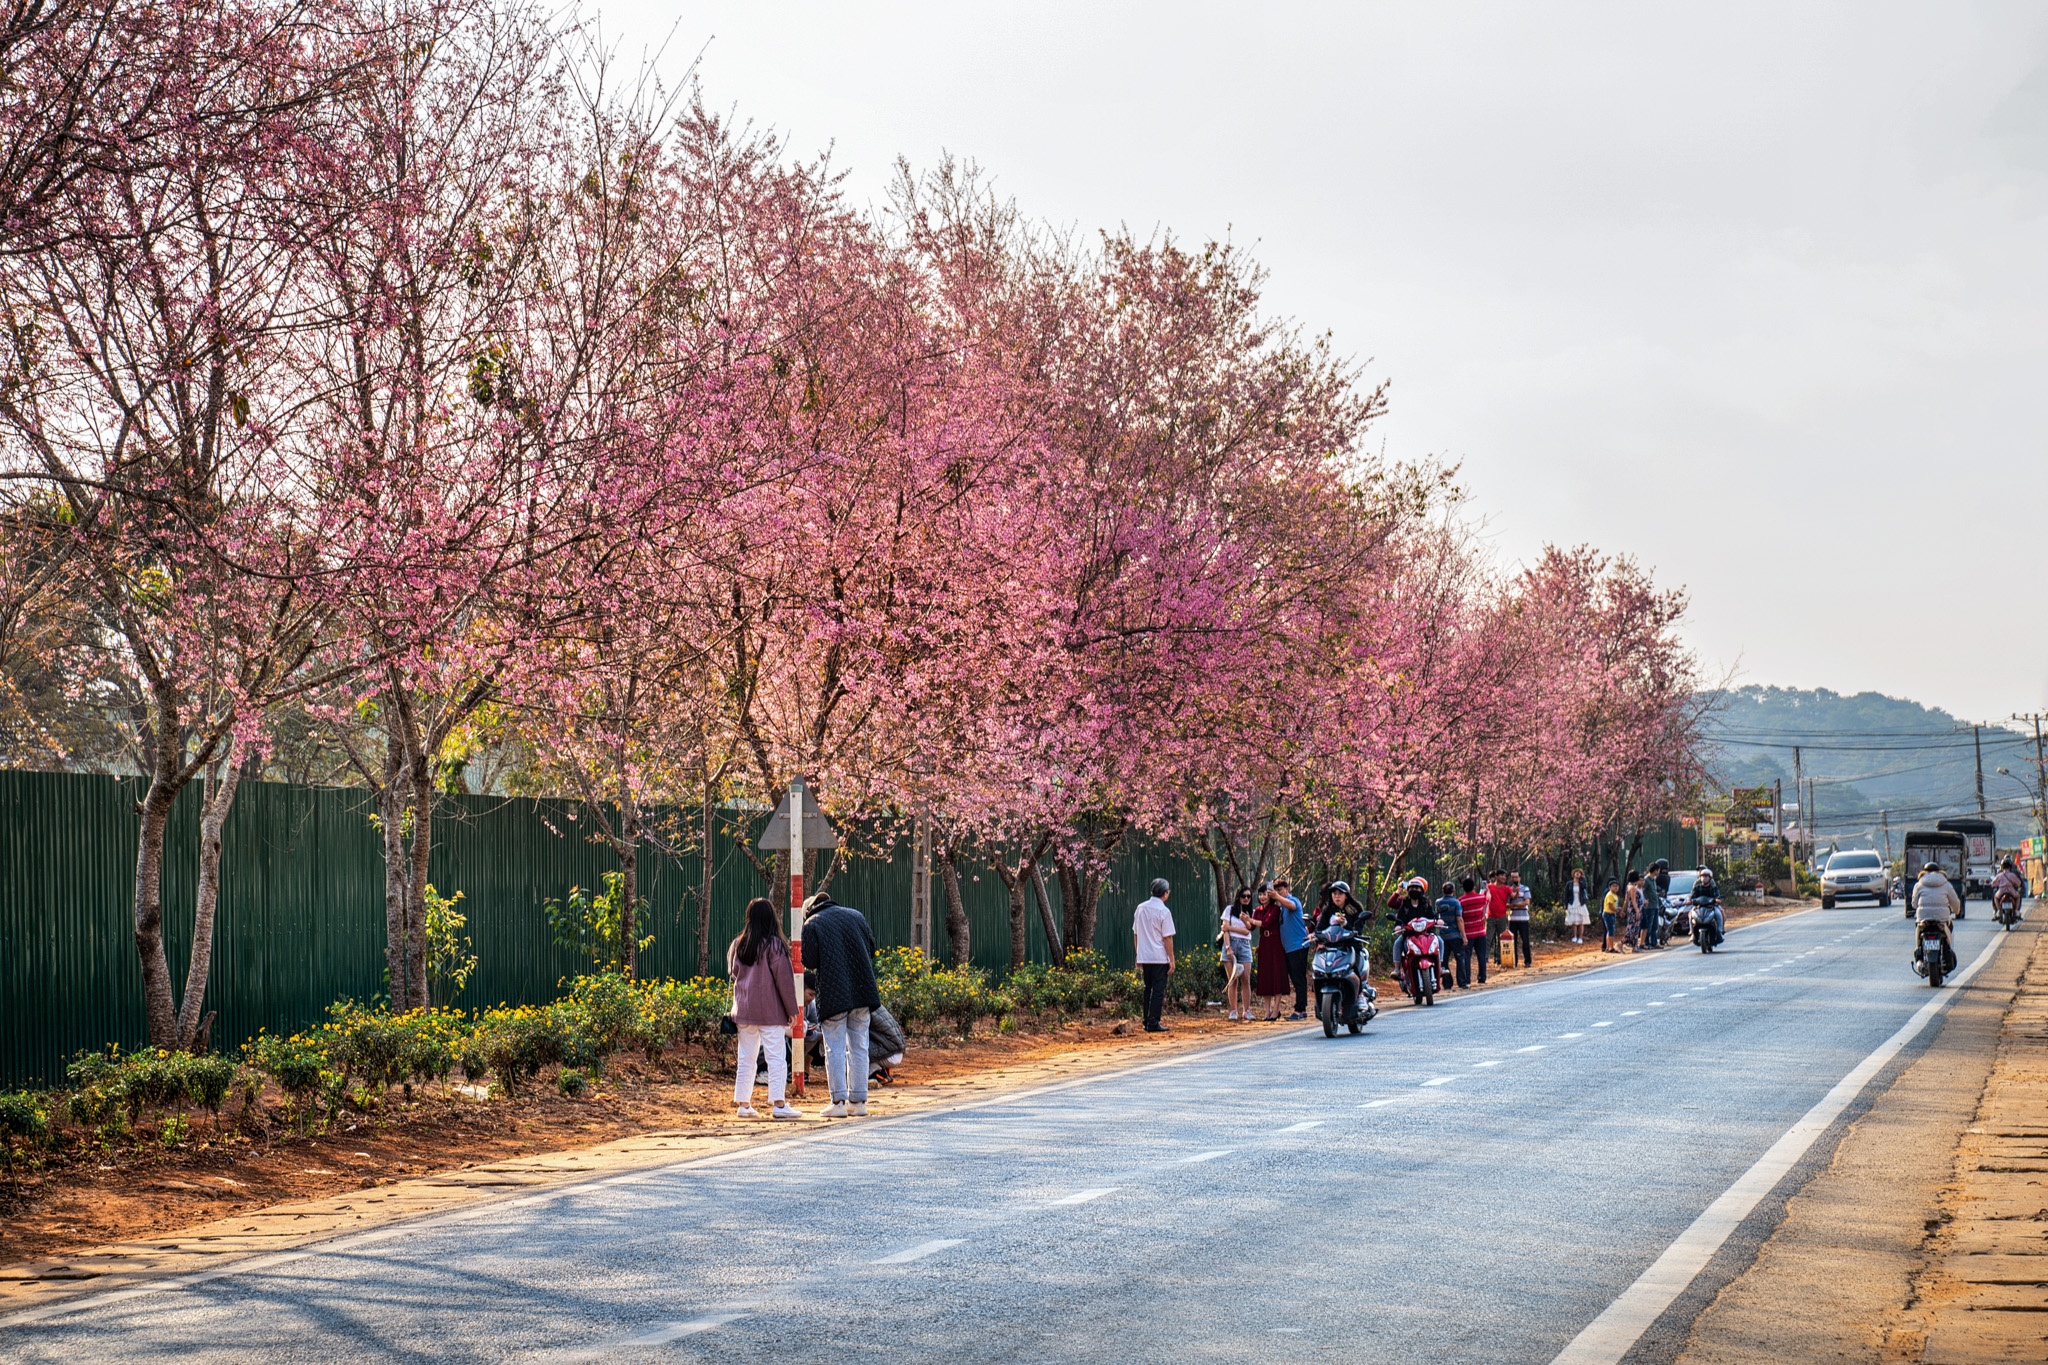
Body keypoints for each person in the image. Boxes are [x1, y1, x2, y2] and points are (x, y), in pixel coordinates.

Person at [800, 890, 881, 1118]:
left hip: (834, 995)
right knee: (859, 1045)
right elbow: (871, 948)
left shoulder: (812, 923)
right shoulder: (856, 915)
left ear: (809, 910)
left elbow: (810, 960)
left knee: (834, 1047)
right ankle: (859, 1101)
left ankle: (838, 1102)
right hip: (862, 990)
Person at [728, 897, 801, 1121]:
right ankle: (779, 1104)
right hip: (770, 1012)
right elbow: (784, 981)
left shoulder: (738, 944)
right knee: (776, 1058)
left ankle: (744, 1103)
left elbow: (733, 973)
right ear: (771, 918)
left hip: (744, 1010)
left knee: (746, 1058)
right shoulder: (775, 945)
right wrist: (792, 1010)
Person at [1134, 878, 1177, 1032]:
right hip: (1159, 956)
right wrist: (1171, 959)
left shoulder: (1140, 908)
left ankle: (1146, 1020)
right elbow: (1167, 937)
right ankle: (1153, 1022)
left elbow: (1136, 933)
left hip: (1145, 955)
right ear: (1165, 894)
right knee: (1158, 989)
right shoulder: (1164, 911)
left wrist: (1138, 953)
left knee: (1148, 988)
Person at [1911, 859, 1961, 974]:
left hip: (1923, 918)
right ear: (1939, 872)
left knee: (1918, 931)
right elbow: (1955, 902)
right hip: (1942, 919)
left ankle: (1919, 951)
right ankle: (1948, 950)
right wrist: (1956, 911)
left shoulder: (1918, 885)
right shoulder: (1946, 884)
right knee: (1950, 928)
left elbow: (1914, 904)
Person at [1251, 885, 1291, 1021]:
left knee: (1276, 976)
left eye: (1264, 894)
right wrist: (1244, 919)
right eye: (1260, 894)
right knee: (1265, 978)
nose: (1262, 897)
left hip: (1275, 943)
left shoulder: (1276, 909)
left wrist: (1250, 920)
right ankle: (1267, 1011)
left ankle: (1276, 1009)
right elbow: (1251, 927)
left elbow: (1266, 923)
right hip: (1264, 944)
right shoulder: (1257, 910)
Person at [1273, 877, 1311, 1020]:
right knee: (1295, 979)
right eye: (1276, 891)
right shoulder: (1281, 908)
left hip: (1298, 946)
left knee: (1299, 978)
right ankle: (1301, 1009)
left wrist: (1277, 897)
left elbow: (1292, 906)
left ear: (1287, 889)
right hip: (1288, 949)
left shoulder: (1293, 901)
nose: (1278, 893)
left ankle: (1300, 1010)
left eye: (1280, 890)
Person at [1220, 888, 1256, 1021]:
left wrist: (1229, 928)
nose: (1246, 898)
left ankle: (1246, 1010)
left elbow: (1247, 931)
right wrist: (1228, 947)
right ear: (1238, 897)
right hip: (1230, 944)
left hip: (1245, 945)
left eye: (1248, 896)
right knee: (1232, 979)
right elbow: (1224, 930)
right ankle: (1233, 1010)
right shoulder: (1229, 910)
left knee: (1246, 979)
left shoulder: (1251, 913)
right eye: (1243, 896)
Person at [1435, 880, 1470, 989]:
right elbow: (1459, 919)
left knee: (1444, 960)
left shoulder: (1438, 902)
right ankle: (1462, 982)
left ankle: (1447, 983)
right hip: (1455, 935)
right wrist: (1464, 936)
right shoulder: (1456, 903)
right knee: (1460, 959)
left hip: (1443, 936)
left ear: (1443, 891)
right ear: (1454, 891)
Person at [1457, 876, 1491, 984]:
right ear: (1474, 887)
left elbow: (1460, 917)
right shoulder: (1481, 898)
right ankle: (1482, 977)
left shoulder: (1461, 901)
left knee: (1467, 956)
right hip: (1480, 931)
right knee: (1481, 955)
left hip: (1468, 933)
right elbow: (1485, 910)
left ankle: (1467, 979)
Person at [1506, 872, 1533, 967]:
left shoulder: (1525, 888)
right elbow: (1506, 904)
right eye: (1513, 877)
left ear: (1519, 878)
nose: (1514, 879)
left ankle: (1528, 961)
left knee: (1525, 940)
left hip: (1523, 918)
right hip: (1512, 919)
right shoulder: (1508, 890)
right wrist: (1516, 905)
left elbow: (1526, 902)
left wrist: (1514, 905)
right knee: (1513, 942)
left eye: (1516, 877)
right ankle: (1514, 961)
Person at [1486, 871, 1512, 968]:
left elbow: (1513, 896)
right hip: (1491, 916)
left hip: (1502, 916)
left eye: (1505, 875)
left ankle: (1499, 959)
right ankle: (1485, 958)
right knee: (1488, 938)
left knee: (1500, 939)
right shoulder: (1489, 887)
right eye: (1502, 875)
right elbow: (1485, 899)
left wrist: (1517, 892)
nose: (1504, 877)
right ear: (1496, 877)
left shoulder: (1506, 888)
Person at [1639, 861, 1667, 950]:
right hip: (1649, 907)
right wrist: (1644, 900)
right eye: (1658, 870)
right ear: (1655, 870)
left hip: (1655, 905)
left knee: (1655, 926)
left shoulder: (1653, 880)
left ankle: (1654, 943)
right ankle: (1646, 943)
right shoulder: (1646, 880)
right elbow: (1642, 890)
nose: (1659, 872)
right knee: (1648, 926)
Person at [1563, 869, 1592, 945]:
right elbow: (1566, 894)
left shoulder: (1582, 883)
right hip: (1572, 903)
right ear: (1573, 874)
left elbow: (1585, 887)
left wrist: (1583, 878)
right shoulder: (1569, 884)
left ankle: (1580, 937)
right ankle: (1574, 936)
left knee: (1581, 921)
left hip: (1581, 903)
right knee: (1574, 922)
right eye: (1576, 872)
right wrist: (1565, 905)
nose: (1577, 874)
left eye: (1579, 873)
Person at [1621, 870, 1644, 951]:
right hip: (1634, 911)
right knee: (1632, 928)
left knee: (1636, 928)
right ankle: (1621, 943)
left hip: (1632, 910)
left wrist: (1623, 910)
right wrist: (1637, 911)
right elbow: (1633, 901)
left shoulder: (1629, 886)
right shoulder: (1633, 888)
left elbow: (1626, 901)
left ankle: (1635, 946)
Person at [1600, 880, 1621, 953]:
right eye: (1613, 886)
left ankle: (1608, 947)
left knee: (1609, 931)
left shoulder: (1615, 895)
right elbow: (1610, 905)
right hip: (1608, 914)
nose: (1616, 887)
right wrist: (1616, 910)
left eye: (1617, 886)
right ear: (1609, 887)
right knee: (1610, 931)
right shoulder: (1610, 895)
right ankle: (1610, 948)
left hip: (1612, 914)